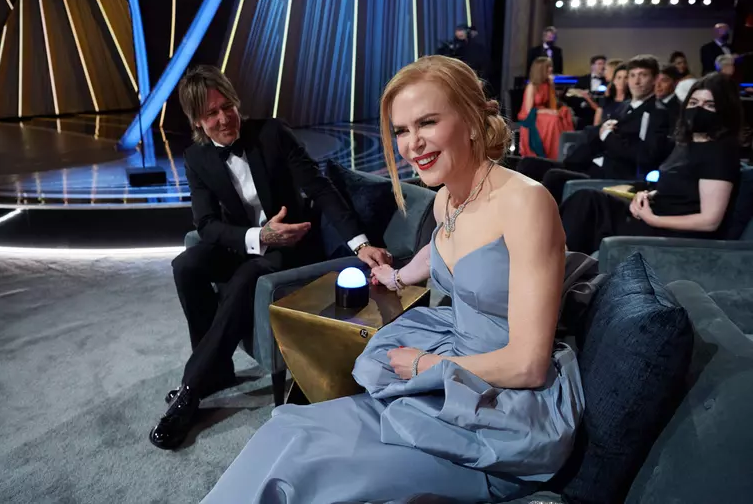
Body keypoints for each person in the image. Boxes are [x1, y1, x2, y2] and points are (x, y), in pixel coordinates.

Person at [201, 55, 584, 504]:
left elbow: (528, 365)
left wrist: (423, 366)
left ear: (473, 119)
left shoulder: (526, 203)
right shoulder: (447, 200)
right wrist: (397, 275)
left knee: (310, 469)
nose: (411, 144)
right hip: (453, 371)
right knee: (288, 427)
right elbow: (442, 245)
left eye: (427, 122)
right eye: (401, 130)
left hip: (501, 413)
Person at [148, 65, 391, 450]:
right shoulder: (197, 158)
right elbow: (207, 224)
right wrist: (257, 236)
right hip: (247, 245)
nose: (225, 117)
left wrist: (361, 244)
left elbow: (320, 188)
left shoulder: (272, 134)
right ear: (197, 120)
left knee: (251, 276)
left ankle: (190, 392)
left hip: (292, 250)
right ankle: (217, 372)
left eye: (228, 106)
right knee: (186, 264)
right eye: (212, 113)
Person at [561, 73, 742, 255]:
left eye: (709, 105)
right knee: (586, 200)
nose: (698, 109)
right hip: (652, 216)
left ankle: (556, 265)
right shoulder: (687, 144)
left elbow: (710, 221)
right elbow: (680, 190)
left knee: (588, 206)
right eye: (693, 103)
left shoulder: (720, 152)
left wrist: (653, 219)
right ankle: (555, 261)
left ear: (725, 110)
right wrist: (646, 195)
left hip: (670, 234)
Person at [517, 55, 672, 204]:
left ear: (655, 79)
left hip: (614, 175)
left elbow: (646, 156)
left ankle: (541, 226)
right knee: (528, 164)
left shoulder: (657, 113)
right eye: (632, 75)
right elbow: (596, 133)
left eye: (643, 75)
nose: (636, 81)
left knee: (554, 176)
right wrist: (600, 133)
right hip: (588, 163)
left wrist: (607, 136)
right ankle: (512, 219)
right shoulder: (624, 106)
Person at [517, 57, 575, 159]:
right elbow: (528, 110)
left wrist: (552, 85)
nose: (551, 69)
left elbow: (553, 104)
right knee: (554, 119)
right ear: (541, 69)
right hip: (532, 116)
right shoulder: (532, 86)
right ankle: (553, 154)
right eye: (548, 67)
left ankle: (566, 150)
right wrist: (547, 111)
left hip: (544, 112)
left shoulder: (547, 84)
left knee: (565, 112)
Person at [656, 65, 681, 133]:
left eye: (664, 80)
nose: (657, 85)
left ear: (676, 83)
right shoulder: (649, 103)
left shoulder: (680, 109)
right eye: (655, 80)